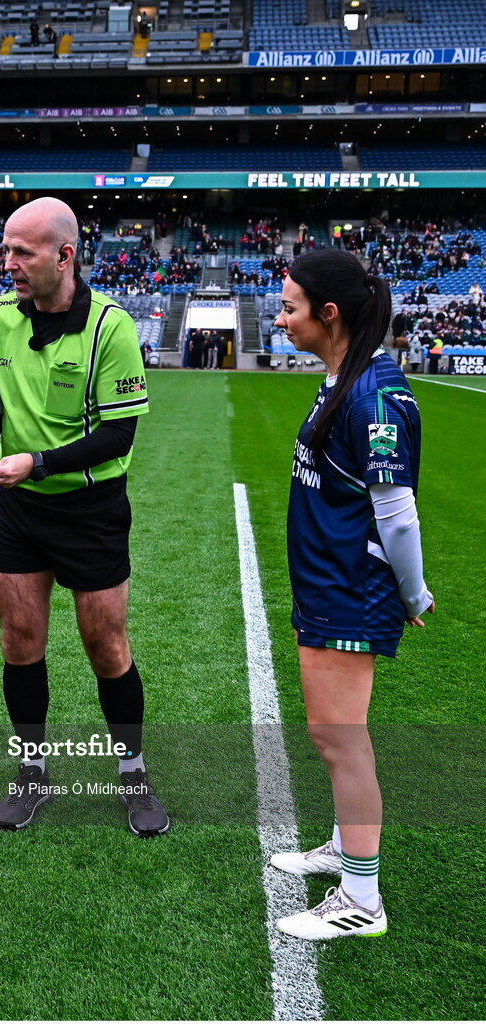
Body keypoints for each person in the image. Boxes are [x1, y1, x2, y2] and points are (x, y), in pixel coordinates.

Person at [0, 196, 169, 838]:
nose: (8, 262)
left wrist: (36, 462)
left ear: (64, 256)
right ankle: (32, 772)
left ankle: (132, 772)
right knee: (20, 643)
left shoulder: (110, 328)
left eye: (23, 251)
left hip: (91, 511)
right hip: (18, 509)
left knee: (107, 647)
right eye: (6, 248)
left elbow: (118, 437)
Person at [270, 249, 434, 939]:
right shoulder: (346, 376)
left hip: (349, 587)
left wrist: (414, 593)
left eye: (289, 307)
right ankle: (345, 848)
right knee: (333, 736)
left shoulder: (373, 395)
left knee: (341, 739)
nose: (281, 318)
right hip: (327, 581)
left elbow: (398, 512)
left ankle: (361, 901)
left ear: (328, 315)